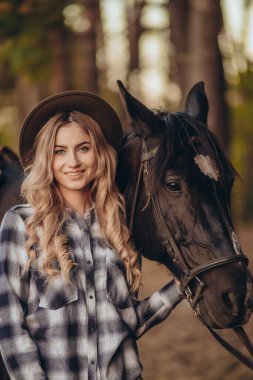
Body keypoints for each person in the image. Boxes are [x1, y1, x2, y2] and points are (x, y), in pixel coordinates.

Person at [0, 91, 183, 380]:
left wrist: (180, 288)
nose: (72, 161)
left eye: (83, 148)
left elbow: (125, 323)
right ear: (47, 159)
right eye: (59, 151)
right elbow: (10, 328)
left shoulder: (119, 225)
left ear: (100, 153)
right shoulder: (21, 223)